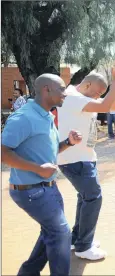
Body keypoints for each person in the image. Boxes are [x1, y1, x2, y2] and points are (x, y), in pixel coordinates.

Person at [1, 74, 83, 275]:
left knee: (52, 232)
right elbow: (3, 152)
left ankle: (28, 272)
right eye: (62, 89)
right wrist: (38, 169)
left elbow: (47, 151)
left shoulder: (46, 114)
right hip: (31, 191)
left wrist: (68, 143)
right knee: (62, 234)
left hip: (48, 188)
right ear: (46, 89)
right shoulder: (24, 117)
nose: (65, 93)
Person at [57, 59, 115, 260]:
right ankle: (84, 246)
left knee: (85, 197)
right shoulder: (72, 97)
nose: (98, 97)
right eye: (96, 92)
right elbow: (106, 105)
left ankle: (77, 239)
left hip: (82, 157)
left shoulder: (79, 97)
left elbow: (112, 103)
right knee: (93, 197)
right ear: (86, 84)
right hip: (75, 159)